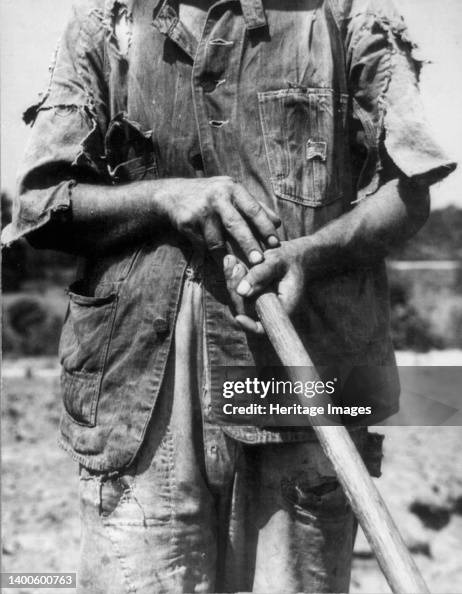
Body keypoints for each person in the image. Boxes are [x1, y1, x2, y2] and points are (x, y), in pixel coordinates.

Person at [2, 0, 456, 592]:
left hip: (300, 385)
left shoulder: (345, 17)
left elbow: (410, 189)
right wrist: (165, 198)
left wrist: (307, 256)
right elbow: (41, 205)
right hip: (139, 394)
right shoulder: (108, 25)